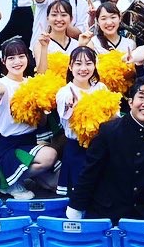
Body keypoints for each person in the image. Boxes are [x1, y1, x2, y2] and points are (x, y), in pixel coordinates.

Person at [67, 77, 144, 222]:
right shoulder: (108, 130)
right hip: (110, 211)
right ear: (130, 102)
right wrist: (76, 208)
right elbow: (89, 172)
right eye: (141, 97)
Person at [0, 38, 59, 200]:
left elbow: (42, 78)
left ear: (27, 58)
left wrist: (44, 48)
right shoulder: (1, 83)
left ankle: (17, 176)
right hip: (9, 148)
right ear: (3, 61)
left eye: (21, 56)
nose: (17, 61)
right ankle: (8, 181)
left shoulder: (29, 83)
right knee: (49, 155)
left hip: (29, 143)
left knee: (54, 184)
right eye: (11, 58)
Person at [55, 46, 108, 196]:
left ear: (94, 65)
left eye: (88, 63)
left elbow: (113, 117)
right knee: (79, 194)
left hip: (100, 148)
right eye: (78, 64)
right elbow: (64, 112)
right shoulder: (64, 92)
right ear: (70, 67)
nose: (83, 68)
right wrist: (70, 105)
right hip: (76, 148)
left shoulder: (101, 88)